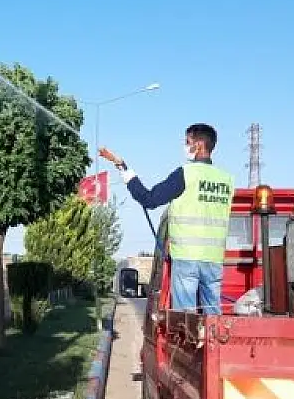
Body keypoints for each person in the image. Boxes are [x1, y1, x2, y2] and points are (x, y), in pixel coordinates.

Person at [100, 123, 235, 314]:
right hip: (213, 259)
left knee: (185, 318)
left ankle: (188, 344)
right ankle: (212, 344)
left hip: (187, 258)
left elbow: (149, 199)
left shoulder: (186, 174)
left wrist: (123, 168)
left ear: (198, 145)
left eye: (187, 142)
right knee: (213, 317)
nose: (185, 146)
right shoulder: (226, 179)